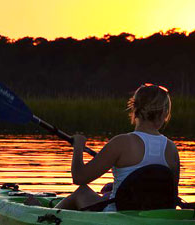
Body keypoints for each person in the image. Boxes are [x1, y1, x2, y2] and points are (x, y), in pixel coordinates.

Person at [55, 83, 180, 211]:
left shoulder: (122, 143)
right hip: (152, 217)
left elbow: (79, 177)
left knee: (82, 192)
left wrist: (78, 148)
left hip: (116, 216)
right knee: (108, 190)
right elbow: (171, 197)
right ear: (165, 114)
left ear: (135, 109)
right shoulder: (172, 149)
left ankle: (46, 216)